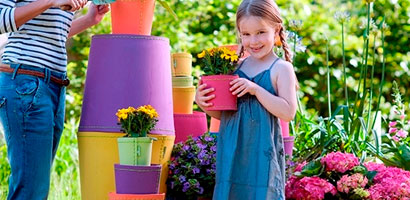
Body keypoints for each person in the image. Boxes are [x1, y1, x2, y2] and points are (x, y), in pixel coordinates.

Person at [0, 0, 109, 199]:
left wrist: (89, 20)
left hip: (53, 85)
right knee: (31, 190)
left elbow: (48, 34)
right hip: (26, 81)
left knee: (34, 185)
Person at [195, 0, 297, 199]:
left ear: (276, 31)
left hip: (262, 155)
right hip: (232, 152)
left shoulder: (281, 69)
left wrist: (256, 90)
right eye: (246, 34)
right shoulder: (234, 68)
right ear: (239, 34)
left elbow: (288, 112)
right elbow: (225, 113)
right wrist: (203, 102)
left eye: (261, 32)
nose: (254, 41)